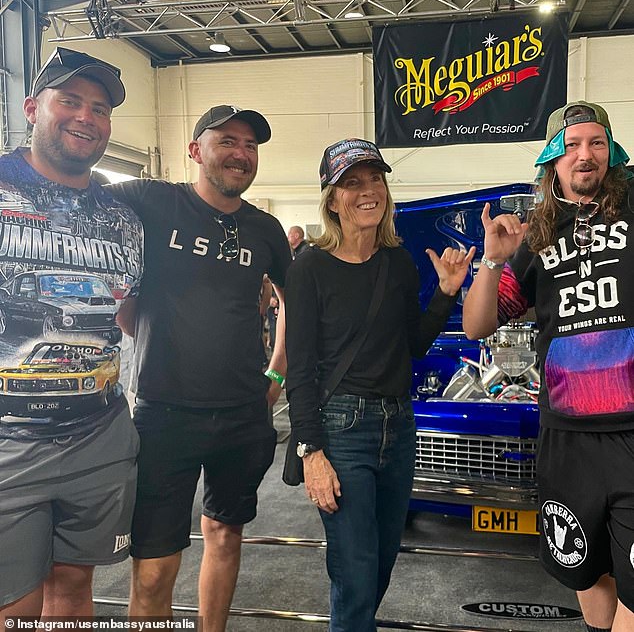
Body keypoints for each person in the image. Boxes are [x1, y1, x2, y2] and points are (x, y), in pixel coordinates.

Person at [109, 104, 292, 632]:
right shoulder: (151, 200)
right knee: (152, 567)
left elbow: (294, 300)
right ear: (195, 151)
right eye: (227, 141)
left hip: (242, 413)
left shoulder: (266, 229)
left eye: (250, 146)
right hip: (165, 413)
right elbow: (82, 199)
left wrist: (277, 372)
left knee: (225, 536)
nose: (241, 154)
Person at [284, 138, 475, 631]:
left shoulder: (399, 262)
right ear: (331, 198)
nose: (366, 191)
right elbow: (300, 368)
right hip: (342, 429)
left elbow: (413, 344)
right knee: (354, 570)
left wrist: (447, 295)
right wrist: (312, 452)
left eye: (374, 179)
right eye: (351, 183)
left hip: (399, 423)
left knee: (382, 562)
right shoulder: (309, 266)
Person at [462, 101, 634, 632]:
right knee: (585, 571)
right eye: (573, 145)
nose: (586, 155)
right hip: (565, 436)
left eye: (597, 143)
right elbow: (477, 327)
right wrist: (492, 260)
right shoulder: (535, 236)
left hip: (632, 433)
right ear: (553, 161)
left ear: (612, 152)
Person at [0, 47, 143, 619]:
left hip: (99, 435)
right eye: (71, 101)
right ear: (33, 107)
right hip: (8, 442)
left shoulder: (122, 219)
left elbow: (126, 315)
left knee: (72, 592)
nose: (87, 117)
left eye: (101, 108)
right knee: (14, 607)